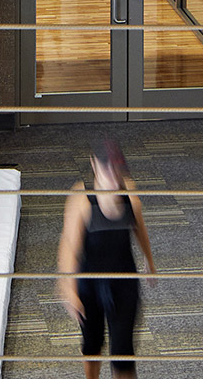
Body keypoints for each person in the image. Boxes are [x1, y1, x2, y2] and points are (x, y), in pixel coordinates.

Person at [58, 139, 156, 379]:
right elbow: (69, 247)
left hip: (123, 283)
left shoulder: (129, 194)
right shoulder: (81, 199)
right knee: (92, 344)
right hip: (89, 285)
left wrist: (149, 260)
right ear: (94, 165)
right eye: (106, 169)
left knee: (123, 353)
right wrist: (68, 290)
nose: (113, 176)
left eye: (117, 169)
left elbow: (138, 226)